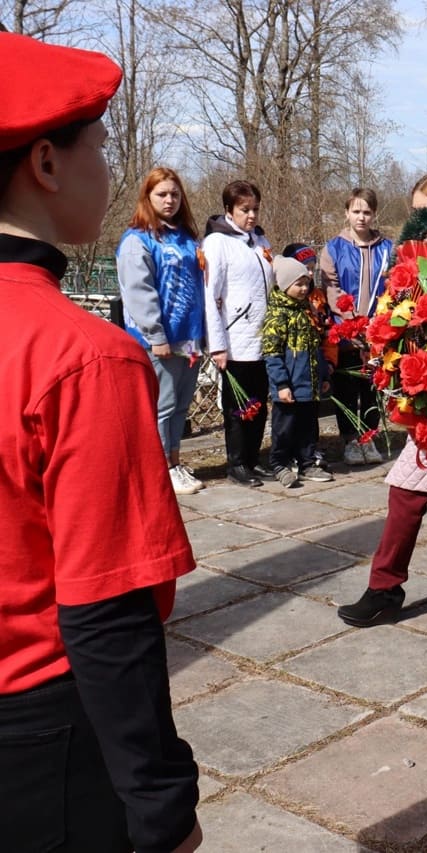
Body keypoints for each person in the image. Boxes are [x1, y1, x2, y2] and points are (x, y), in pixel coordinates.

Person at [0, 32, 201, 853]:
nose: (108, 169)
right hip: (44, 733)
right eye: (102, 146)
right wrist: (159, 802)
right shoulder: (83, 355)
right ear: (47, 163)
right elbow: (107, 610)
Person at [338, 172, 427, 626]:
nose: (422, 223)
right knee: (405, 494)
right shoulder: (410, 265)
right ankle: (384, 588)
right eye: (416, 213)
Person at [117, 167, 206, 495]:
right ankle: (160, 468)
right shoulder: (137, 240)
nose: (169, 200)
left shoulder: (185, 236)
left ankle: (175, 462)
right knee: (162, 405)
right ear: (148, 197)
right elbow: (139, 291)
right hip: (160, 341)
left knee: (181, 407)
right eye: (162, 194)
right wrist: (156, 335)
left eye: (174, 194)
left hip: (189, 338)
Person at [204, 179, 274, 486]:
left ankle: (252, 459)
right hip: (235, 340)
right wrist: (217, 344)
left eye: (255, 209)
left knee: (259, 405)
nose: (251, 216)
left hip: (263, 337)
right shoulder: (217, 243)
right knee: (238, 407)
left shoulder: (260, 241)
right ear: (229, 210)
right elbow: (210, 295)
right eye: (245, 210)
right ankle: (236, 464)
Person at [319, 188, 395, 466]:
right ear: (347, 212)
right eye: (356, 211)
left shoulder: (387, 248)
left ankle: (369, 437)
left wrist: (379, 323)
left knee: (373, 387)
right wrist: (352, 321)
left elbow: (393, 288)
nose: (361, 217)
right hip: (346, 330)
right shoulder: (333, 248)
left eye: (367, 212)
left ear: (374, 214)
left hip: (378, 330)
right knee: (347, 388)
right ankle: (350, 439)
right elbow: (332, 288)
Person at [262, 256, 331, 487]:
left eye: (306, 284)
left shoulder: (306, 311)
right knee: (285, 427)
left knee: (309, 426)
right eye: (298, 284)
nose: (303, 289)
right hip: (289, 386)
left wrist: (323, 376)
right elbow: (272, 353)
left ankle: (307, 462)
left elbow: (315, 346)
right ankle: (280, 463)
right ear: (284, 285)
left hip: (309, 383)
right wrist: (281, 384)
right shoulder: (277, 315)